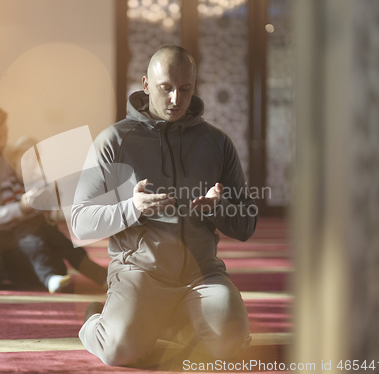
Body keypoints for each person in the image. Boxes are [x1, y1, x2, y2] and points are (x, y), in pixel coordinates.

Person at [71, 45, 258, 366]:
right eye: (165, 88)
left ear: (194, 88)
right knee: (118, 351)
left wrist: (218, 208)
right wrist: (133, 208)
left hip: (202, 275)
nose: (176, 99)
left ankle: (163, 322)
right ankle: (95, 320)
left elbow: (246, 226)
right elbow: (79, 223)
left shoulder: (217, 143)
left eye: (185, 89)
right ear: (145, 84)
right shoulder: (113, 141)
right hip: (140, 273)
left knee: (229, 344)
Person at [0, 104, 107, 293]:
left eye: (4, 134)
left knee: (55, 268)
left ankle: (6, 265)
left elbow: (35, 178)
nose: (2, 141)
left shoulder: (11, 155)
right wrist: (22, 207)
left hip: (12, 230)